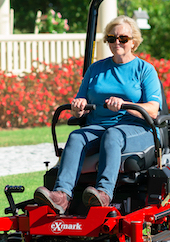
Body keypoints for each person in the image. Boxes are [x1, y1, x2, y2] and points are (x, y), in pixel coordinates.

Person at [34, 15, 162, 214]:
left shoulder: (145, 70)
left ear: (133, 43)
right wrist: (79, 106)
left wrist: (125, 105)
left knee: (114, 135)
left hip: (136, 128)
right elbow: (81, 103)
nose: (116, 42)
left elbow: (153, 110)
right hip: (99, 125)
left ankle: (103, 193)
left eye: (123, 39)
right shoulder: (96, 69)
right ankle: (61, 195)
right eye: (111, 38)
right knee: (76, 136)